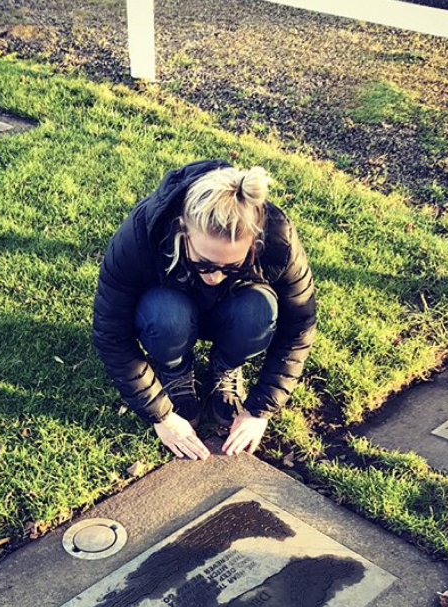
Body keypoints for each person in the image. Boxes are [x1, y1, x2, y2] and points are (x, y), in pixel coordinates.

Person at [93, 159, 316, 461]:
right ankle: (175, 370)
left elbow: (299, 325)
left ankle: (226, 367)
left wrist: (259, 411)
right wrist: (161, 416)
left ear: (256, 239)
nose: (214, 277)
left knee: (260, 310)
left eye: (232, 267)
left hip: (236, 308)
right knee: (165, 314)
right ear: (182, 229)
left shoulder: (279, 238)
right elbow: (110, 332)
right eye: (203, 264)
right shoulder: (140, 234)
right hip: (169, 309)